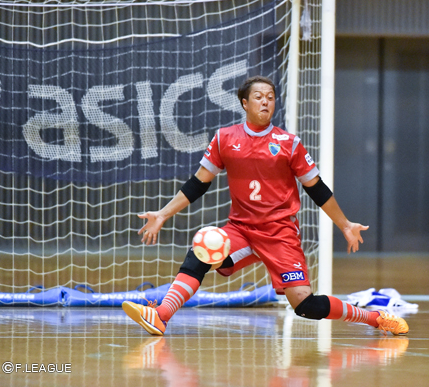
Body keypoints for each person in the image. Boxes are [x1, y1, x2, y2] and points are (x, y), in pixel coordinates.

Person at [122, 75, 409, 337]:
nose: (265, 102)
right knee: (203, 250)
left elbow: (317, 189)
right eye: (259, 97)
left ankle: (375, 318)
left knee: (305, 306)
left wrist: (345, 225)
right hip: (241, 230)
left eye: (270, 97)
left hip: (280, 233)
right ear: (244, 103)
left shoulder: (289, 143)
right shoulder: (225, 138)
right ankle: (161, 315)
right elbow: (199, 183)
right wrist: (162, 214)